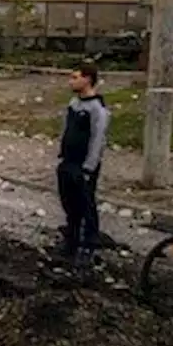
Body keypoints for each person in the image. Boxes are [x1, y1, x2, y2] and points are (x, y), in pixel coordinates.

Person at [56, 62, 110, 267]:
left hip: (83, 165)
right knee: (69, 204)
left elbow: (98, 140)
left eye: (75, 77)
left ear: (88, 79)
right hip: (68, 162)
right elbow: (66, 129)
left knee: (86, 205)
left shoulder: (97, 109)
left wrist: (89, 167)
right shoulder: (73, 103)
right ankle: (71, 241)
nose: (71, 81)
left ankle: (88, 245)